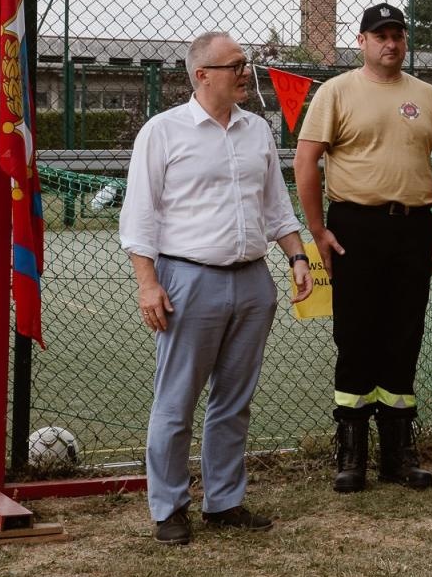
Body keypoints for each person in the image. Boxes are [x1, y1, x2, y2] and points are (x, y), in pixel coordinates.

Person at [120, 32, 314, 545]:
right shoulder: (162, 133)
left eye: (245, 64)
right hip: (188, 280)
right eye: (235, 65)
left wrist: (296, 256)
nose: (246, 72)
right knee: (176, 401)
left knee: (234, 400)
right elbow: (139, 218)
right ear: (202, 74)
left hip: (253, 281)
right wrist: (148, 284)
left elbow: (276, 207)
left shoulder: (257, 132)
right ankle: (169, 509)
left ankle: (224, 501)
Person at [293, 2, 432, 492]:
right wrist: (319, 229)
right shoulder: (336, 92)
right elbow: (307, 161)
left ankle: (398, 455)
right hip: (354, 227)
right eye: (380, 35)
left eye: (398, 35)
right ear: (362, 41)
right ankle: (351, 455)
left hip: (413, 228)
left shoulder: (428, 97)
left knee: (403, 337)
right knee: (356, 337)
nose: (390, 44)